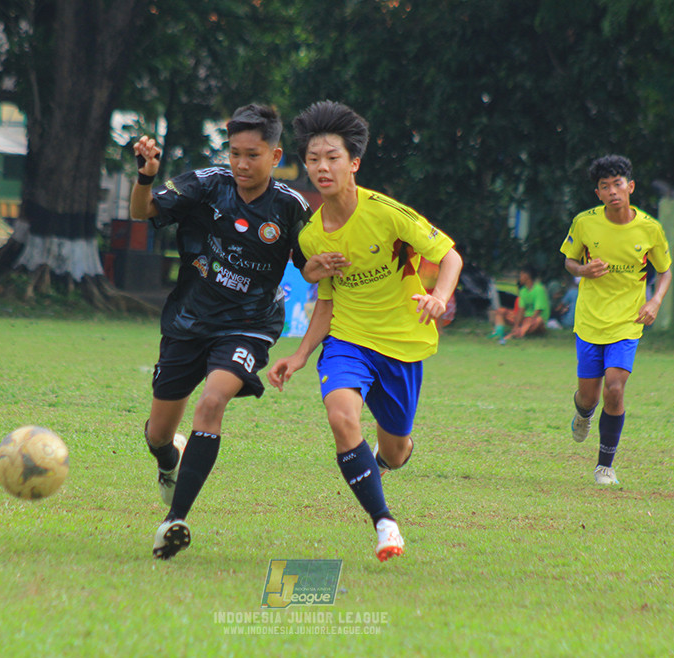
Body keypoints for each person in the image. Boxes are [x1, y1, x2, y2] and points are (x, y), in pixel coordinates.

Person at [129, 104, 333, 560]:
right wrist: (145, 176)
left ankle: (175, 519)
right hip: (187, 322)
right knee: (159, 434)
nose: (241, 163)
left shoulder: (290, 207)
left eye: (252, 155)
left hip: (248, 326)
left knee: (211, 402)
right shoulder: (206, 185)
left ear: (274, 156)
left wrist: (323, 265)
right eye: (235, 153)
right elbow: (143, 212)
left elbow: (308, 268)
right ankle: (168, 460)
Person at [267, 101, 463, 562]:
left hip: (401, 344)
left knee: (394, 452)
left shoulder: (387, 213)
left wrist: (439, 297)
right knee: (341, 416)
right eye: (313, 159)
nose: (322, 167)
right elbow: (327, 302)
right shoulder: (311, 236)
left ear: (353, 163)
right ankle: (384, 523)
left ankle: (388, 455)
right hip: (348, 340)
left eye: (332, 157)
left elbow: (449, 256)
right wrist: (299, 355)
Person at [560, 154, 671, 485]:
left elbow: (665, 271)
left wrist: (655, 300)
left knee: (615, 387)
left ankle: (604, 466)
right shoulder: (584, 223)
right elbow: (569, 261)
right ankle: (583, 413)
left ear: (630, 186)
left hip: (627, 322)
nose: (612, 191)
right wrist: (583, 270)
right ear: (598, 193)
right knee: (589, 397)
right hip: (590, 320)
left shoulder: (650, 229)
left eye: (617, 184)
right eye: (604, 186)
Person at [491, 265, 549, 342]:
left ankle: (516, 334)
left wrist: (527, 323)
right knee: (501, 311)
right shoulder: (523, 291)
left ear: (526, 275)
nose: (520, 277)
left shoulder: (539, 289)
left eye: (521, 275)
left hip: (535, 321)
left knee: (538, 320)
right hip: (525, 319)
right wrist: (516, 326)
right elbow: (521, 310)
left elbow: (537, 313)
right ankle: (499, 332)